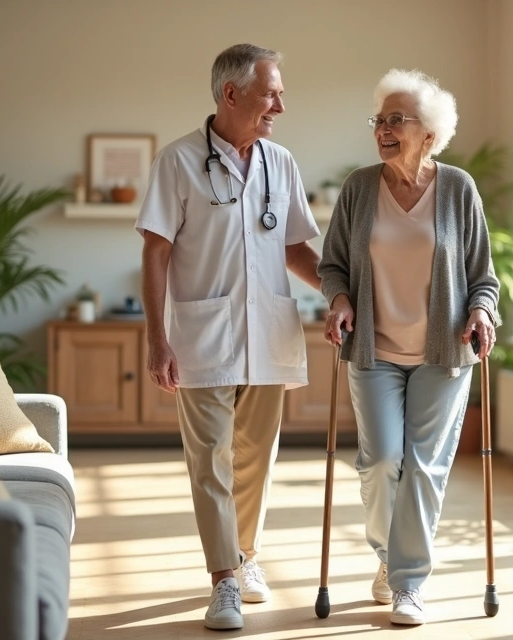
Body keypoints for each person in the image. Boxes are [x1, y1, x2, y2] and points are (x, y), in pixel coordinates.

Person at [135, 43, 322, 631]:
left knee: (254, 459)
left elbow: (293, 248)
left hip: (267, 332)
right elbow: (156, 252)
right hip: (202, 335)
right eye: (271, 94)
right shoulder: (178, 161)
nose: (280, 106)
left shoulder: (280, 162)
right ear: (231, 94)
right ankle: (223, 581)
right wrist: (156, 340)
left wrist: (343, 292)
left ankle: (246, 557)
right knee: (210, 459)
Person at [318, 68, 500, 626]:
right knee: (381, 462)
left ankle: (409, 582)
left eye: (398, 119)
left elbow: (483, 277)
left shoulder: (458, 189)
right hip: (374, 350)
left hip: (443, 355)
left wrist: (481, 310)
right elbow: (332, 267)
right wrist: (341, 298)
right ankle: (387, 557)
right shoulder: (358, 187)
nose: (384, 128)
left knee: (423, 467)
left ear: (430, 133)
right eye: (380, 119)